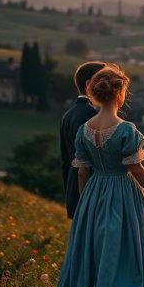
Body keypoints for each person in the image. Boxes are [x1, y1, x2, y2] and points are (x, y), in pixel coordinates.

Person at [46, 65, 144, 287]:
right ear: (120, 93)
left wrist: (85, 203)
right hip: (123, 191)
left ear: (93, 93)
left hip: (94, 191)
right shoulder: (126, 129)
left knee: (96, 245)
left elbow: (82, 171)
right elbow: (135, 169)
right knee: (127, 246)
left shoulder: (85, 129)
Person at [59, 61, 106, 219]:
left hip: (74, 188)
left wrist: (69, 193)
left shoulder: (67, 115)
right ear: (89, 84)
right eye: (103, 80)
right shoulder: (92, 115)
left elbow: (65, 160)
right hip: (91, 189)